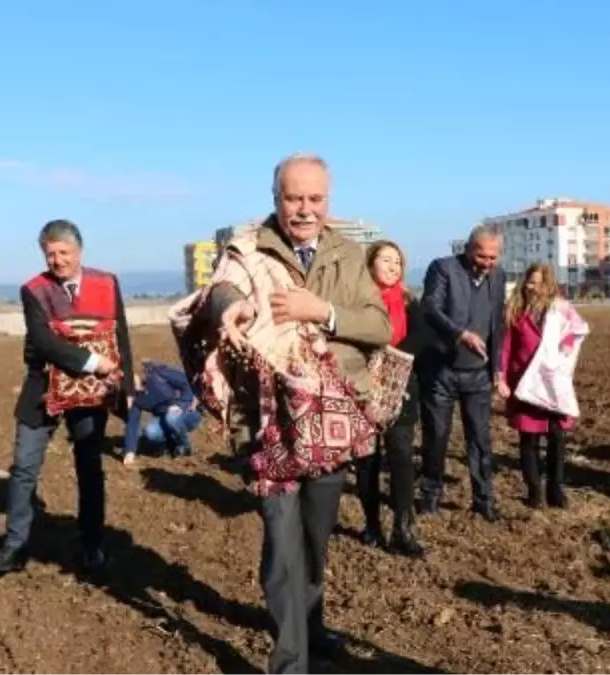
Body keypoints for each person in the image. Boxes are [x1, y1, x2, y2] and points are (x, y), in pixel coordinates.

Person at [172, 153, 393, 674]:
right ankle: (290, 658)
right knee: (281, 536)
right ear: (276, 199)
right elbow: (223, 286)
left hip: (332, 418)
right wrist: (232, 306)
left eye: (314, 199)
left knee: (315, 537)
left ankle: (311, 627)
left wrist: (323, 312)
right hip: (268, 420)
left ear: (327, 201)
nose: (304, 209)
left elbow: (380, 325)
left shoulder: (347, 254)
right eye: (294, 198)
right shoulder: (250, 246)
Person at [0, 220, 134, 577]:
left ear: (79, 251)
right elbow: (41, 341)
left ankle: (92, 544)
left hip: (92, 393)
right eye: (50, 254)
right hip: (43, 386)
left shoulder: (107, 283)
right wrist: (95, 362)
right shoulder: (33, 290)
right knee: (23, 466)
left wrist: (124, 390)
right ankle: (14, 546)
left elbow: (120, 334)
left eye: (64, 252)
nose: (57, 260)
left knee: (89, 467)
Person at [419, 224, 507, 521]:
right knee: (437, 437)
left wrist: (497, 370)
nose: (487, 263)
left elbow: (497, 326)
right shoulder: (443, 269)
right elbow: (429, 307)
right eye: (481, 255)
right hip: (441, 370)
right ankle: (430, 498)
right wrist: (460, 334)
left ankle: (484, 502)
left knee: (480, 440)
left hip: (478, 374)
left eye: (493, 258)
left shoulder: (498, 278)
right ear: (468, 249)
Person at [354, 239, 430, 557]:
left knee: (400, 456)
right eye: (386, 260)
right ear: (370, 263)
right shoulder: (358, 302)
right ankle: (372, 523)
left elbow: (423, 336)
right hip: (363, 386)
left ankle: (403, 527)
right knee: (366, 459)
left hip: (402, 386)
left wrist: (391, 358)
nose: (392, 266)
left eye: (397, 261)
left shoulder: (411, 303)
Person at [499, 262, 589, 509]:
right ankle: (534, 492)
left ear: (548, 285)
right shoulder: (515, 311)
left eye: (538, 283)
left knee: (556, 438)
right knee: (528, 439)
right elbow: (505, 348)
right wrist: (502, 378)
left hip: (553, 383)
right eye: (530, 282)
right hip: (525, 384)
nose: (533, 288)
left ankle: (556, 490)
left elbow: (577, 330)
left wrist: (567, 348)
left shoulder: (560, 310)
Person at [122, 359, 202, 464]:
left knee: (171, 417)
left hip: (189, 412)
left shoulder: (158, 373)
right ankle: (171, 443)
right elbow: (132, 423)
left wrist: (180, 405)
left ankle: (184, 446)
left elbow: (187, 383)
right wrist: (129, 452)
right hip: (166, 419)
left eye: (130, 380)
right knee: (150, 432)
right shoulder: (135, 398)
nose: (130, 386)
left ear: (136, 373)